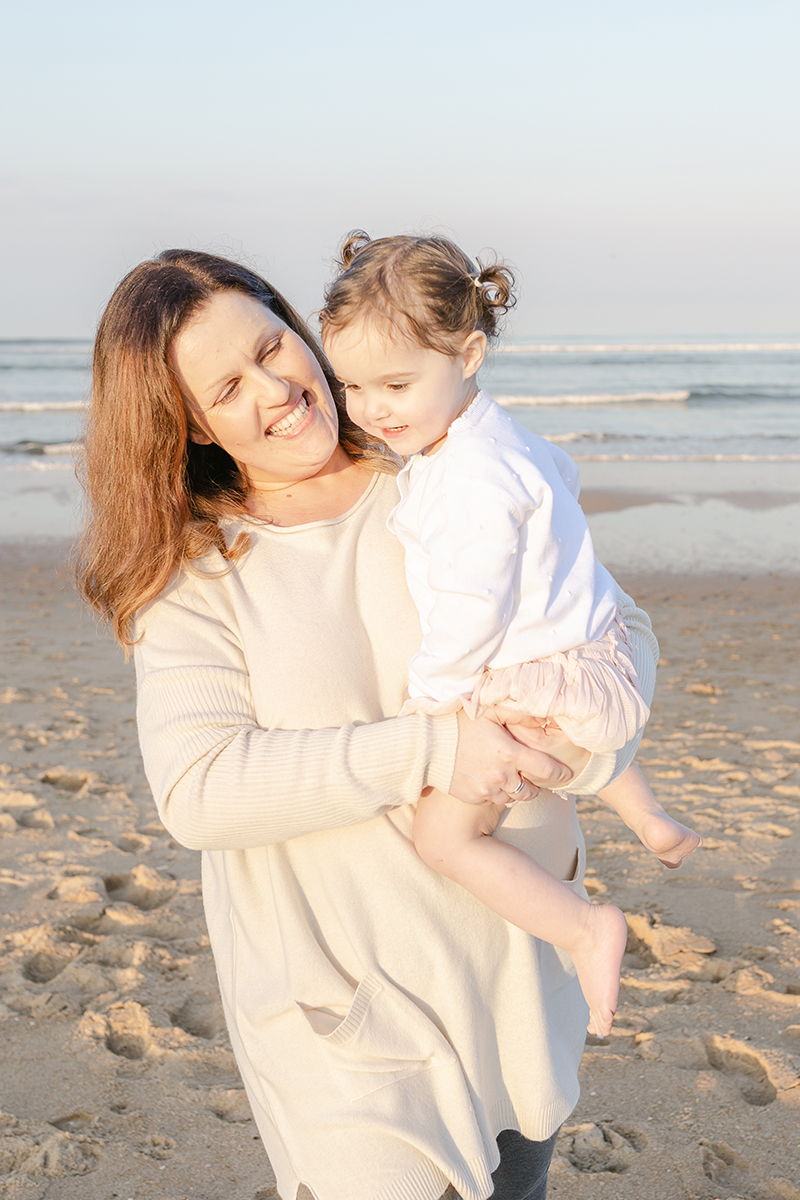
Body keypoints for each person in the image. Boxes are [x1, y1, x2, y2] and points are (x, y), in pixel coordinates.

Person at [78, 248, 657, 1200]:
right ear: (185, 421)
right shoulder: (194, 577)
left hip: (511, 976)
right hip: (350, 1026)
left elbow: (617, 638)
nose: (277, 389)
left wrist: (586, 750)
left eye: (273, 347)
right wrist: (439, 748)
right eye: (228, 386)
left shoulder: (438, 471)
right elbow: (201, 791)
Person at [321, 232, 701, 1039]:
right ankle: (648, 816)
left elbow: (470, 607)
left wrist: (430, 704)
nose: (371, 408)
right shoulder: (492, 438)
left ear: (470, 352)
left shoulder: (466, 481)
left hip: (550, 677)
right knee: (582, 736)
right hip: (593, 654)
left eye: (395, 383)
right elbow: (560, 473)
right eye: (351, 385)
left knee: (444, 835)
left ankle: (581, 927)